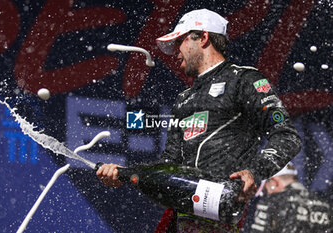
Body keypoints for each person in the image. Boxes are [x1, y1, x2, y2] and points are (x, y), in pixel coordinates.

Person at [96, 8, 301, 232]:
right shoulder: (184, 99)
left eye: (180, 42)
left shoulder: (244, 79)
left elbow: (287, 136)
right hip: (179, 216)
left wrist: (254, 171)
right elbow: (168, 165)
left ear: (203, 37)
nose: (175, 51)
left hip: (219, 213)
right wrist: (124, 173)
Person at [248, 163, 333, 233]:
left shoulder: (271, 202)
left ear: (274, 183)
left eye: (266, 188)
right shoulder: (325, 203)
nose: (265, 193)